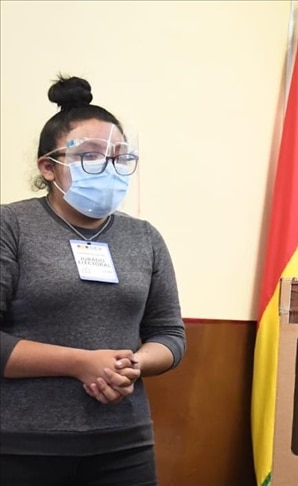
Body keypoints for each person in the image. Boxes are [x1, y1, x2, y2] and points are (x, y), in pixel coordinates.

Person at [0, 75, 186, 485]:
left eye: (120, 157)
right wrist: (81, 364)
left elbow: (170, 334)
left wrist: (131, 365)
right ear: (48, 167)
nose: (109, 167)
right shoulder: (10, 225)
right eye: (90, 155)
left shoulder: (145, 237)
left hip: (125, 442)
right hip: (22, 443)